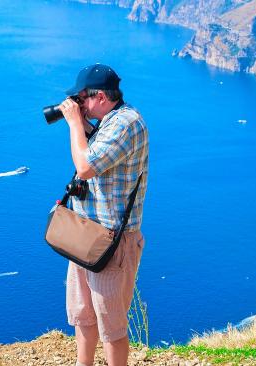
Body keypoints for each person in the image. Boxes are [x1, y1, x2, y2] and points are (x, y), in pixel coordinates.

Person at [58, 64, 149, 366]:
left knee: (111, 325)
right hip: (85, 234)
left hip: (112, 241)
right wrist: (82, 126)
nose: (79, 105)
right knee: (83, 315)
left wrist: (74, 124)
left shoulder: (127, 124)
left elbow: (85, 167)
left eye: (82, 98)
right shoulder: (108, 124)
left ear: (99, 96)